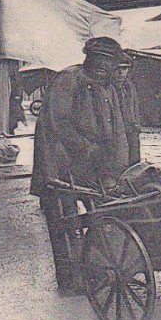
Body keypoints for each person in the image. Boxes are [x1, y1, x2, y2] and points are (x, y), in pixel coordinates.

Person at [30, 36, 131, 295]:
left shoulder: (107, 88)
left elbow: (116, 130)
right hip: (59, 165)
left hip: (91, 167)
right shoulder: (68, 80)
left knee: (100, 216)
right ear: (93, 61)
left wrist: (116, 167)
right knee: (64, 223)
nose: (108, 70)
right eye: (102, 63)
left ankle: (93, 271)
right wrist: (88, 149)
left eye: (112, 65)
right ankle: (69, 282)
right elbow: (59, 124)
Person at [115, 50, 142, 165]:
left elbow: (134, 107)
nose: (121, 72)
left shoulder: (130, 87)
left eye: (124, 68)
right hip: (116, 132)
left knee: (134, 163)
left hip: (131, 129)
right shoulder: (108, 87)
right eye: (117, 68)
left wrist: (136, 125)